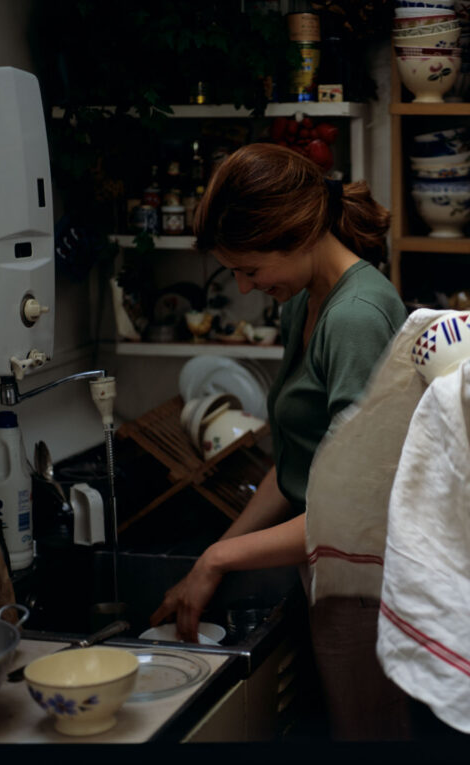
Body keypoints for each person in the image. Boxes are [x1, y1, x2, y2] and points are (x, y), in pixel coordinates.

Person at [149, 142, 411, 739]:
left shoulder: (356, 318)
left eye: (249, 268)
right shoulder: (303, 304)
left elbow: (362, 511)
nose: (243, 288)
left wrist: (220, 558)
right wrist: (212, 556)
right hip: (326, 565)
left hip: (366, 579)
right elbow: (295, 464)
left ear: (294, 237)